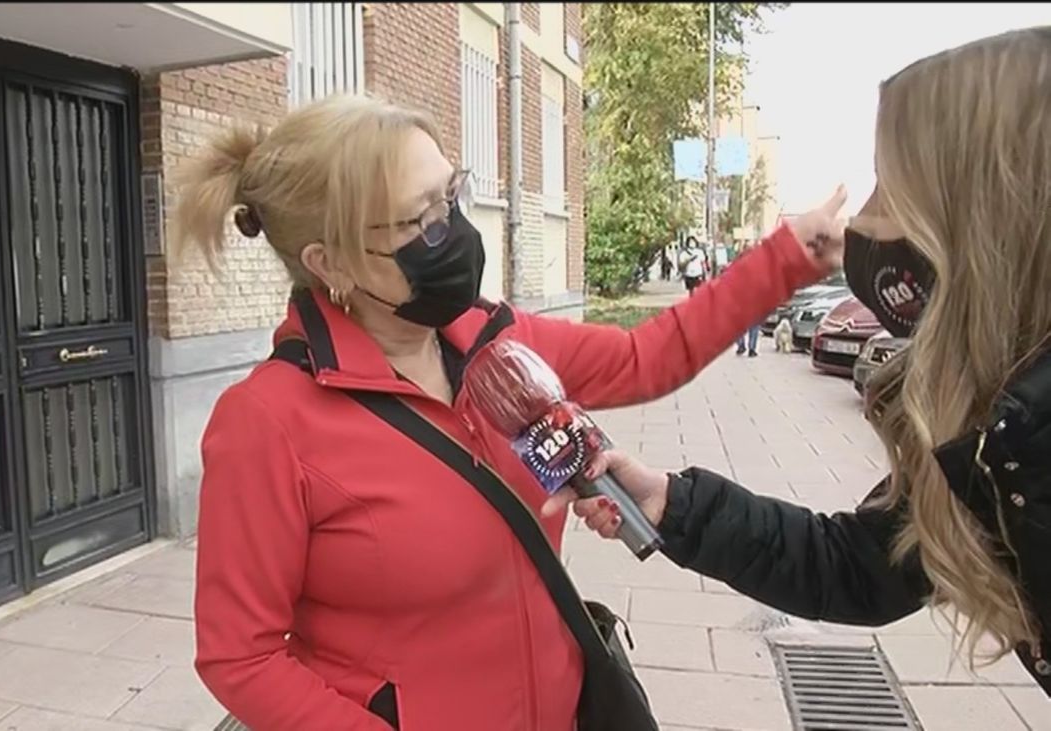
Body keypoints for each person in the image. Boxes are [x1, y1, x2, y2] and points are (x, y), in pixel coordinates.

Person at [180, 94, 844, 730]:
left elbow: (649, 356)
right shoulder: (268, 421)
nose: (455, 231)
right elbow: (240, 653)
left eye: (453, 195)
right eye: (422, 221)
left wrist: (789, 257)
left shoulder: (497, 339)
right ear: (332, 262)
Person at [548, 27, 1051, 694]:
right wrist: (672, 502)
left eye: (896, 185)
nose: (870, 223)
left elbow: (644, 355)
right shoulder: (1000, 427)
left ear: (985, 211)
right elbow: (858, 565)